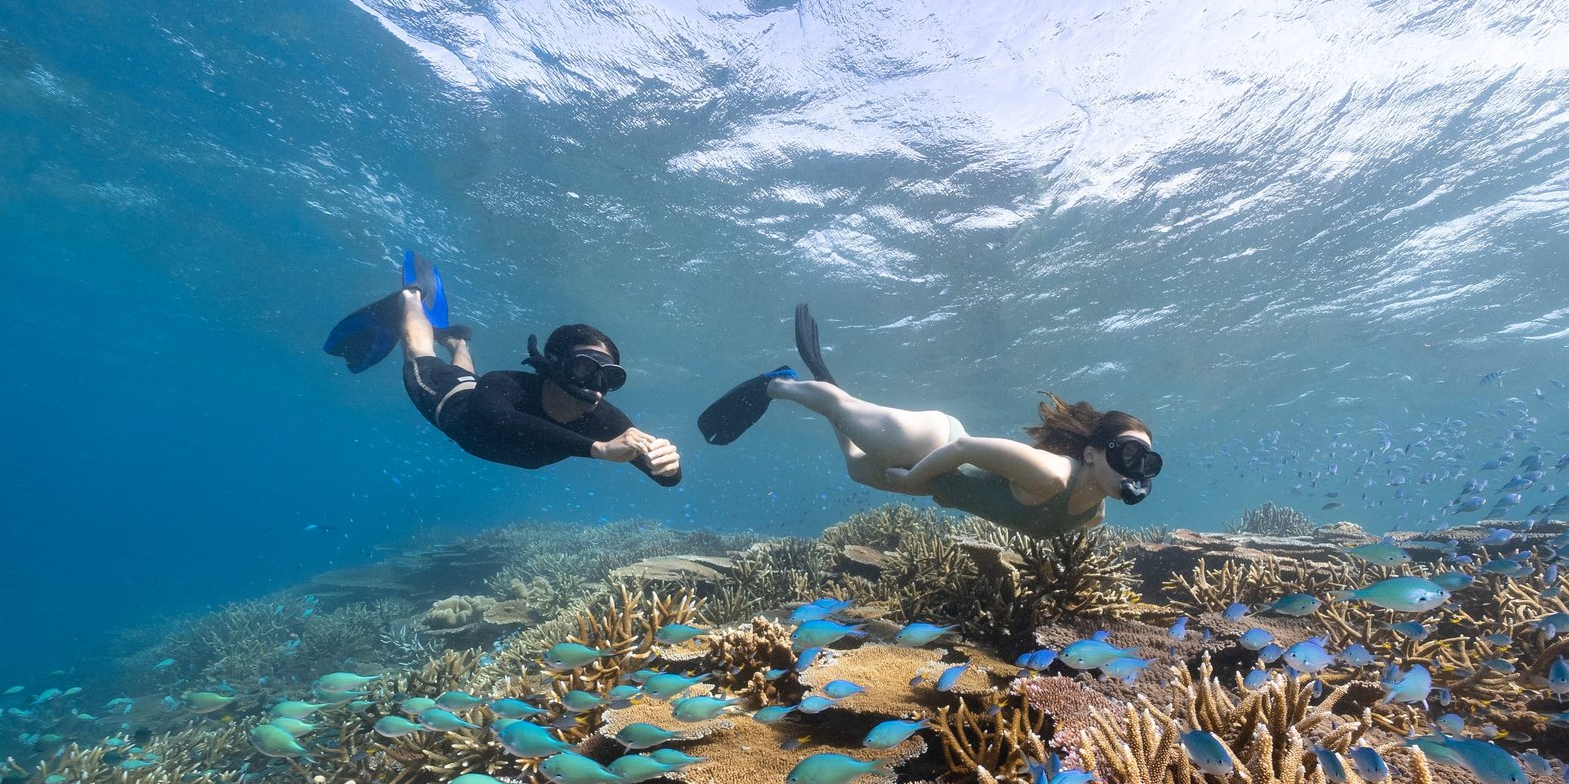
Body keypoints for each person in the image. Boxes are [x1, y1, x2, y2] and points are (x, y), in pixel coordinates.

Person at [697, 305, 1159, 536]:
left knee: (856, 465)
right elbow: (964, 449)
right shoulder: (1052, 474)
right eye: (1128, 453)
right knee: (844, 414)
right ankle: (776, 385)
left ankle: (826, 383)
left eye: (1146, 463)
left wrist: (926, 486)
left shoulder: (1093, 517)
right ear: (1093, 453)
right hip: (933, 446)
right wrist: (913, 478)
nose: (1134, 470)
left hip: (941, 484)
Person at [325, 252, 680, 485]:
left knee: (466, 373)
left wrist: (666, 462)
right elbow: (498, 419)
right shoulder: (505, 384)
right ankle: (412, 298)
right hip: (445, 397)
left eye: (609, 375)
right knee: (419, 351)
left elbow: (666, 479)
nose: (596, 386)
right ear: (553, 367)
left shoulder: (606, 420)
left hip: (469, 384)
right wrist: (597, 449)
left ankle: (458, 342)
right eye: (586, 368)